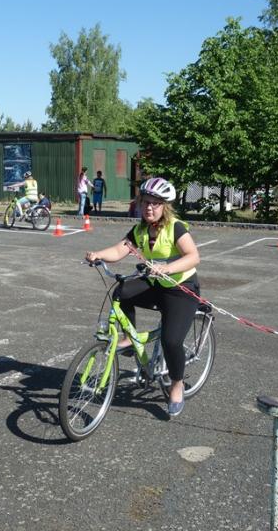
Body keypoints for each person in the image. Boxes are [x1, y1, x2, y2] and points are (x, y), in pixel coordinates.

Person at [84, 177, 200, 418]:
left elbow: (192, 256)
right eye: (145, 202)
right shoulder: (140, 230)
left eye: (155, 204)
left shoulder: (175, 227)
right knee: (122, 290)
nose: (149, 207)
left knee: (171, 341)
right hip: (156, 283)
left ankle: (176, 384)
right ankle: (129, 336)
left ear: (164, 206)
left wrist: (168, 268)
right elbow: (119, 250)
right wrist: (98, 255)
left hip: (181, 288)